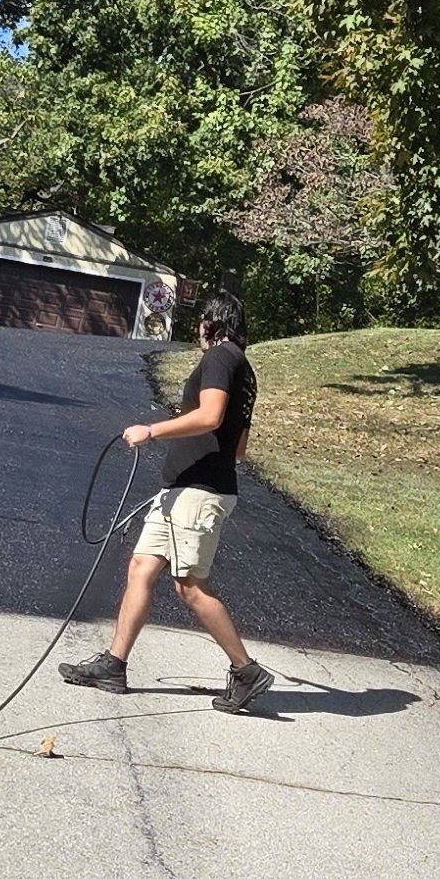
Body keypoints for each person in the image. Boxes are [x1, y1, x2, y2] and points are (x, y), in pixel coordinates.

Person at [63, 291, 273, 715]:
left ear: (210, 324)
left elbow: (211, 416)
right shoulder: (243, 369)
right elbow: (239, 449)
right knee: (141, 566)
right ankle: (113, 665)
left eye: (200, 323)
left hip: (199, 491)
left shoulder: (220, 357)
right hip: (184, 488)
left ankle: (246, 670)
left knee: (190, 586)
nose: (198, 330)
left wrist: (152, 431)